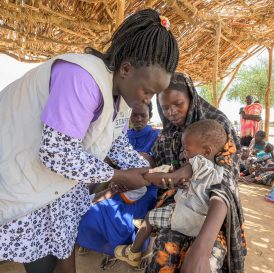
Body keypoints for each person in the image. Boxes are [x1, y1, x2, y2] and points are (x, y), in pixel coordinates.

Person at [0, 9, 179, 273]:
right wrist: (117, 174)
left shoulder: (123, 98)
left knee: (55, 256)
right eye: (148, 91)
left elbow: (116, 143)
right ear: (127, 69)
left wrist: (150, 174)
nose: (148, 100)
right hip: (17, 174)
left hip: (48, 186)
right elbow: (56, 151)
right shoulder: (81, 77)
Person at [146, 72, 246, 273]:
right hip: (179, 203)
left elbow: (225, 182)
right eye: (165, 108)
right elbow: (158, 159)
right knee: (164, 252)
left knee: (205, 261)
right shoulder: (168, 132)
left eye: (178, 104)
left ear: (191, 98)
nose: (171, 112)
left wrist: (202, 248)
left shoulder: (216, 124)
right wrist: (145, 162)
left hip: (210, 211)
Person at [114, 120, 235, 268]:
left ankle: (133, 253)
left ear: (207, 151)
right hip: (202, 223)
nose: (184, 153)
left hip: (184, 216)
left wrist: (146, 175)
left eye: (187, 149)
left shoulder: (197, 163)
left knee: (149, 217)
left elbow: (170, 178)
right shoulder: (218, 169)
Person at [76, 103, 161, 268]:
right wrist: (116, 180)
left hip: (146, 187)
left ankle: (126, 250)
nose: (138, 119)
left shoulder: (157, 136)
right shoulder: (122, 135)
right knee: (92, 211)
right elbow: (109, 161)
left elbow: (157, 165)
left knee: (124, 219)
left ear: (149, 115)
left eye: (143, 115)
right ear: (128, 117)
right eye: (134, 115)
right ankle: (108, 249)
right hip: (120, 182)